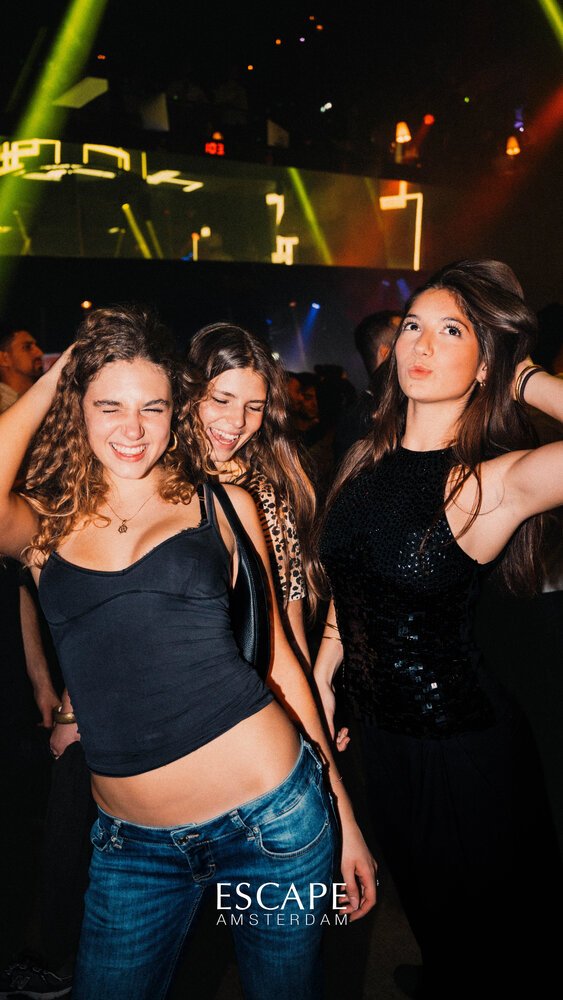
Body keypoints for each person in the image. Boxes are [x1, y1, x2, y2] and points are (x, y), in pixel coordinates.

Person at [0, 303, 376, 1000]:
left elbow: (281, 663)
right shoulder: (46, 525)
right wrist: (62, 373)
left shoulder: (224, 504)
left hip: (273, 820)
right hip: (132, 849)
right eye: (109, 405)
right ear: (77, 408)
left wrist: (343, 815)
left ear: (175, 412)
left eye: (153, 407)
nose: (133, 427)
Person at [313, 259, 563, 999]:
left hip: (464, 753)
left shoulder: (490, 482)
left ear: (484, 363)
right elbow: (352, 584)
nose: (420, 344)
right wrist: (325, 671)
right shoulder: (363, 460)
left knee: (494, 944)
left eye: (451, 331)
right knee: (430, 918)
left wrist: (522, 376)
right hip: (381, 746)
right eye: (412, 325)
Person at [187, 323, 322, 670]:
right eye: (222, 400)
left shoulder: (264, 499)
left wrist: (311, 697)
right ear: (188, 393)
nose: (237, 421)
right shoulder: (151, 484)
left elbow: (288, 628)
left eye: (255, 406)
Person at [333, 310, 401, 462]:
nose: (420, 348)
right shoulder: (361, 422)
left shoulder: (401, 408)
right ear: (386, 354)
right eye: (408, 337)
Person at [0, 323, 44, 412]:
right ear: (4, 359)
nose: (39, 353)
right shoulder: (4, 407)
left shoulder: (44, 398)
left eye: (36, 346)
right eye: (27, 347)